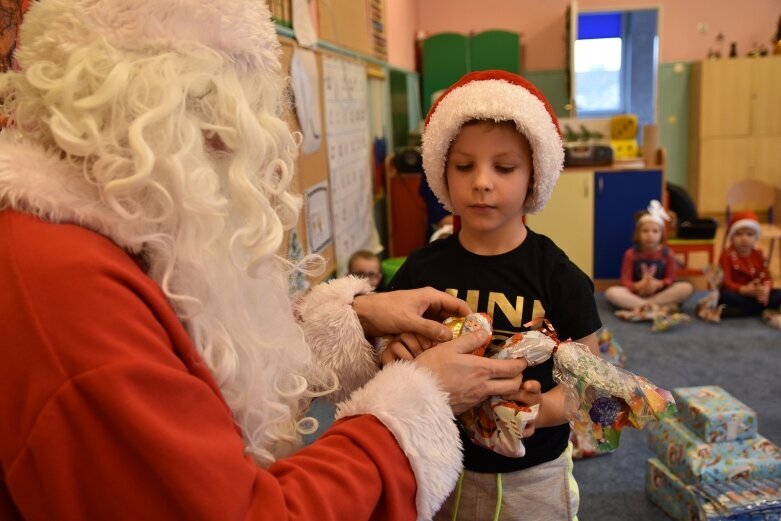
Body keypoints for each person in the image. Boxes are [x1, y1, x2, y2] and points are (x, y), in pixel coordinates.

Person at [0, 2, 531, 519]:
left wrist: (354, 316)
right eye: (227, 140)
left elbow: (186, 352)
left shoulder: (92, 231)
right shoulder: (64, 293)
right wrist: (419, 401)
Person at [387, 70, 602, 520]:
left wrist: (541, 409)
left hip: (534, 477)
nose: (482, 182)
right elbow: (381, 350)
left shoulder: (559, 276)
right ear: (442, 172)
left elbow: (588, 384)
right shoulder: (421, 270)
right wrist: (393, 354)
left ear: (534, 177)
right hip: (440, 466)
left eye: (503, 167)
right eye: (465, 166)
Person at [605, 201, 694, 315]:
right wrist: (638, 286)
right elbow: (625, 280)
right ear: (638, 233)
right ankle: (655, 307)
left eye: (655, 231)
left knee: (686, 287)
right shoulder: (631, 254)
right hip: (637, 294)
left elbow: (671, 278)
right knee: (611, 293)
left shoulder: (667, 254)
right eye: (645, 231)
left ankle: (643, 306)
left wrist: (659, 284)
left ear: (661, 234)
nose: (650, 235)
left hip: (660, 293)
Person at [704, 211, 781, 328]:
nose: (744, 239)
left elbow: (767, 277)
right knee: (726, 296)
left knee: (778, 294)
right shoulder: (727, 255)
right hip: (738, 293)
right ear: (731, 237)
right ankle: (760, 310)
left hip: (755, 294)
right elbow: (726, 282)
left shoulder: (759, 254)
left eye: (749, 235)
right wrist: (743, 290)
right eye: (739, 234)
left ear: (756, 238)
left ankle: (743, 311)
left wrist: (764, 290)